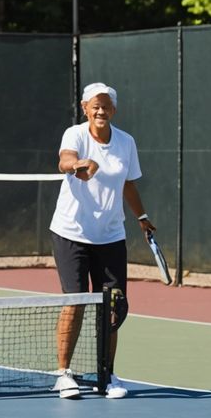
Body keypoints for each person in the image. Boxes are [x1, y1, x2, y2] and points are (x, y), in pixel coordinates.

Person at [49, 82, 154, 399]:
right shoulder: (76, 135)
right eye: (95, 105)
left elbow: (128, 185)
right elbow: (64, 161)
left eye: (106, 106)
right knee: (77, 300)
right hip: (72, 233)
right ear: (85, 108)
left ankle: (106, 374)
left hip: (111, 235)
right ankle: (63, 373)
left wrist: (142, 217)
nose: (101, 111)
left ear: (114, 110)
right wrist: (78, 164)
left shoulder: (126, 142)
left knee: (112, 306)